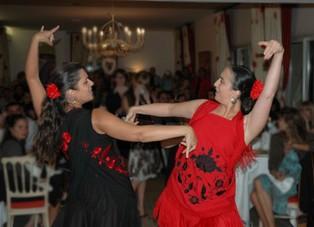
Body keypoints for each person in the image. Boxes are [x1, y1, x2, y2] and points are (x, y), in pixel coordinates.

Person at [25, 26, 197, 227]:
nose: (91, 83)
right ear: (71, 94)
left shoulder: (51, 115)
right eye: (84, 81)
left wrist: (36, 39)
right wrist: (185, 129)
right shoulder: (97, 116)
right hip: (111, 199)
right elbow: (140, 134)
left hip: (81, 198)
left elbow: (31, 78)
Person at [126, 40, 284, 226]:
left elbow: (267, 95)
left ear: (236, 93)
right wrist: (138, 109)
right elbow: (170, 109)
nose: (215, 83)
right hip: (177, 197)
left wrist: (279, 54)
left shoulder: (245, 126)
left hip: (213, 211)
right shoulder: (203, 107)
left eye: (222, 81)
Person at [251, 108, 303, 227]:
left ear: (288, 122)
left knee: (258, 182)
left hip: (293, 183)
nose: (277, 122)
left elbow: (302, 165)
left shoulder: (301, 140)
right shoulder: (277, 138)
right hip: (280, 180)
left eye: (280, 119)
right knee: (254, 195)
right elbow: (272, 165)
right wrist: (275, 173)